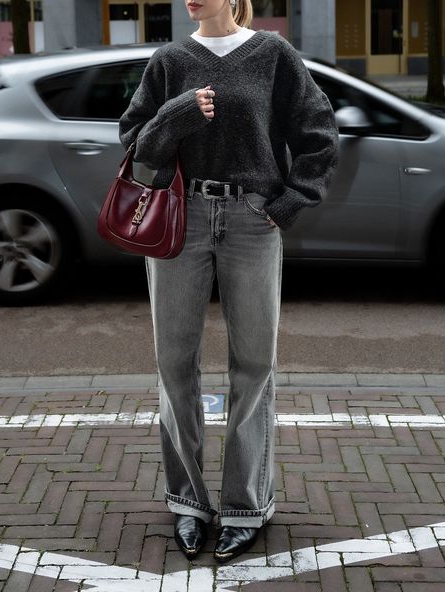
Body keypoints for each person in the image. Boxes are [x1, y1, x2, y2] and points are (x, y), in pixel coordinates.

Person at [119, 0, 339, 564]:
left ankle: (245, 506)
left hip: (251, 220)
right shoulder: (169, 60)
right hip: (180, 219)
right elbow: (134, 140)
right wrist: (176, 115)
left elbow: (318, 131)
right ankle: (189, 504)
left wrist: (291, 201)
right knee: (174, 362)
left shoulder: (272, 55)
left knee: (254, 363)